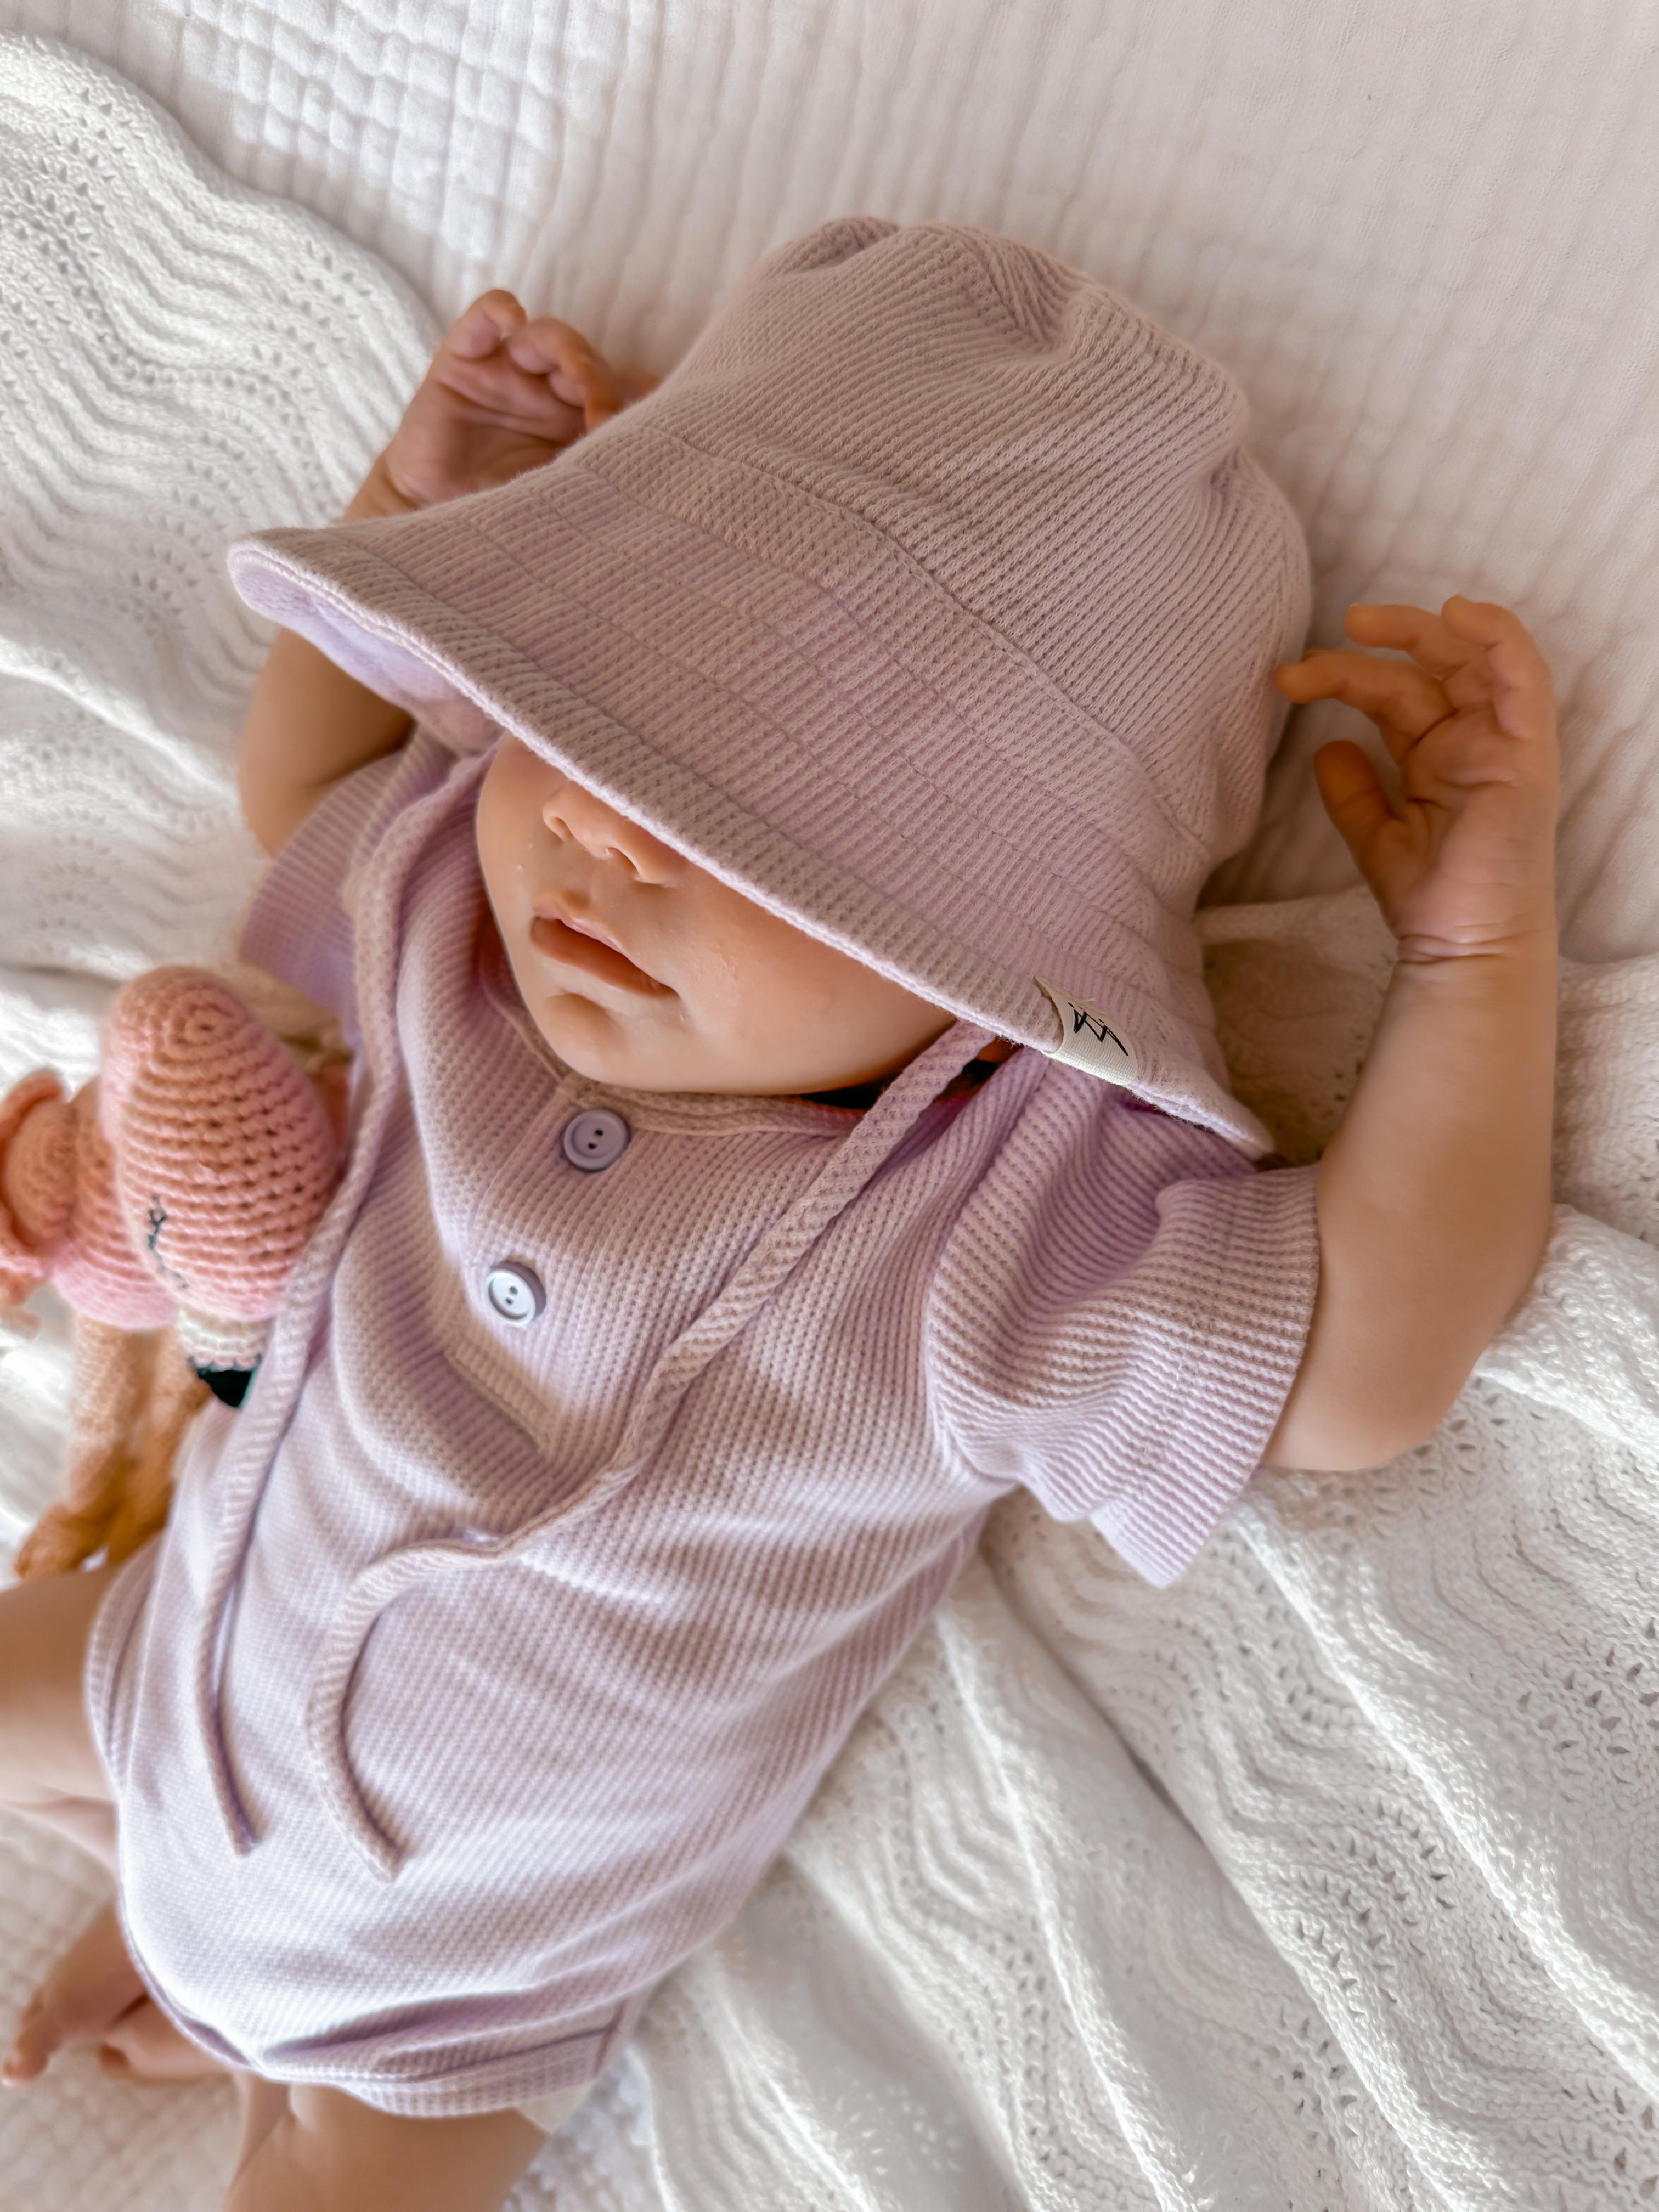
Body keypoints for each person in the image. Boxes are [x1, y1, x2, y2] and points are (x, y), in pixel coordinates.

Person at [0, 219, 1558, 2211]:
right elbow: (303, 776)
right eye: (589, 724)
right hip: (158, 1677)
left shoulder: (992, 1220)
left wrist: (1475, 956)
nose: (598, 832)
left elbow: (1360, 1366)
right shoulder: (449, 931)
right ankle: (179, 1934)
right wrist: (425, 503)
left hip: (435, 2004)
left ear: (997, 962)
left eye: (765, 828)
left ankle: (217, 1991)